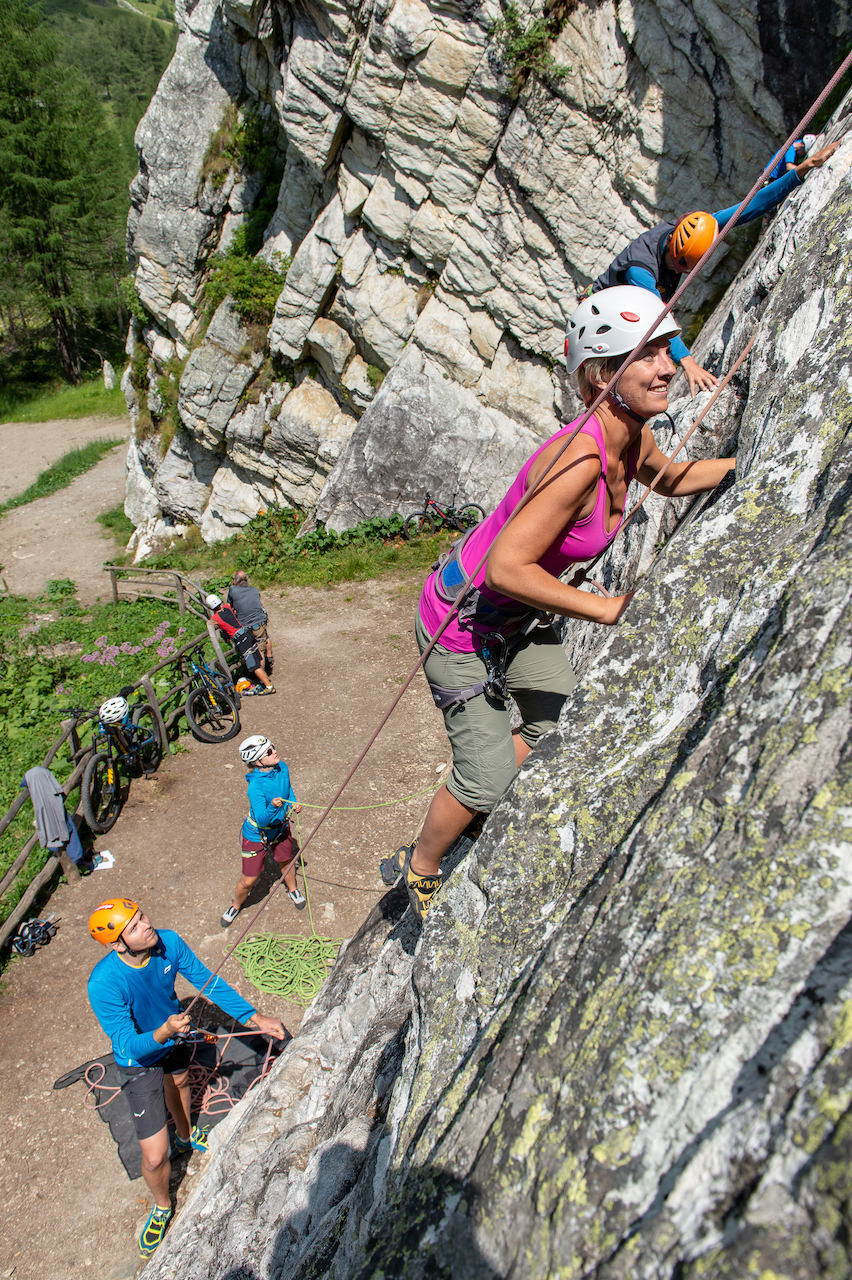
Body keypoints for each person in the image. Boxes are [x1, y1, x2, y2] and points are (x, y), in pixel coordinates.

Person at [384, 285, 736, 922]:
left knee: (558, 726)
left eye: (665, 347)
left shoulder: (628, 434)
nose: (666, 365)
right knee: (487, 777)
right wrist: (605, 609)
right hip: (457, 626)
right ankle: (424, 864)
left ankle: (476, 786)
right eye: (647, 354)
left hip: (511, 617)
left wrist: (746, 464)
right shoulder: (579, 459)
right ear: (603, 374)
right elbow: (505, 565)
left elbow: (674, 479)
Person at [87, 898, 284, 1258]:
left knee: (179, 1084)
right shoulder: (104, 983)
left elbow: (208, 982)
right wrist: (162, 1032)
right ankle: (162, 1205)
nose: (146, 926)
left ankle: (185, 1134)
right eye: (133, 927)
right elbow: (126, 1040)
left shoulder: (169, 943)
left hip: (173, 1035)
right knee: (153, 1158)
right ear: (117, 945)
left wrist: (255, 1019)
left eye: (141, 916)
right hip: (139, 1058)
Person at [590, 140, 839, 395]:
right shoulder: (640, 270)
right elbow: (658, 316)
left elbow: (750, 206)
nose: (680, 271)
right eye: (679, 265)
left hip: (631, 312)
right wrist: (688, 363)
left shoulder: (702, 229)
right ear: (673, 249)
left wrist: (802, 170)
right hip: (601, 316)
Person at [220, 735, 306, 927]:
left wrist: (293, 802)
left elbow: (287, 789)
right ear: (258, 761)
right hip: (257, 833)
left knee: (286, 860)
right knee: (249, 879)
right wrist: (274, 807)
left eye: (272, 747)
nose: (274, 751)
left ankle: (292, 889)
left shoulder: (282, 767)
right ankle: (236, 905)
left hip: (281, 826)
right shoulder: (256, 786)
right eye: (268, 751)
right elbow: (262, 819)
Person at [206, 593, 275, 695]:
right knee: (257, 659)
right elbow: (230, 605)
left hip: (242, 640)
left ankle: (269, 687)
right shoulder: (227, 607)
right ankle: (265, 681)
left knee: (254, 665)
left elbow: (209, 623)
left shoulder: (216, 618)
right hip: (248, 633)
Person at [227, 570, 274, 676]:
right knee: (263, 641)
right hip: (260, 622)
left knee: (257, 651)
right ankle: (269, 658)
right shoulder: (254, 590)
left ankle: (262, 678)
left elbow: (230, 606)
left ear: (235, 580)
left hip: (245, 625)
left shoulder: (232, 590)